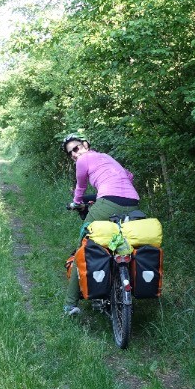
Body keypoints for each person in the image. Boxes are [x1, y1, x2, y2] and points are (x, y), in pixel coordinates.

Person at [61, 134, 140, 316]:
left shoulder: (83, 160)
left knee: (84, 245)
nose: (74, 154)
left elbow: (80, 188)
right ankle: (123, 280)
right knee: (123, 241)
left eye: (76, 148)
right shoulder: (107, 157)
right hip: (133, 202)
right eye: (70, 152)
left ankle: (69, 304)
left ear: (85, 145)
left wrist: (76, 202)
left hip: (108, 202)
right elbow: (129, 175)